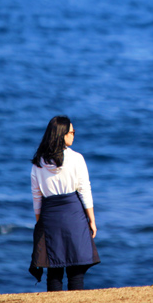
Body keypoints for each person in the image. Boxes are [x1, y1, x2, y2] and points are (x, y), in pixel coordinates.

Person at [29, 116, 99, 291]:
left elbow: (37, 196)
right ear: (62, 135)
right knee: (76, 270)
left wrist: (40, 222)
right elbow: (84, 190)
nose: (74, 135)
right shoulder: (77, 158)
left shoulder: (39, 162)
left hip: (49, 216)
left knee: (54, 270)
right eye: (72, 132)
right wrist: (92, 219)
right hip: (74, 214)